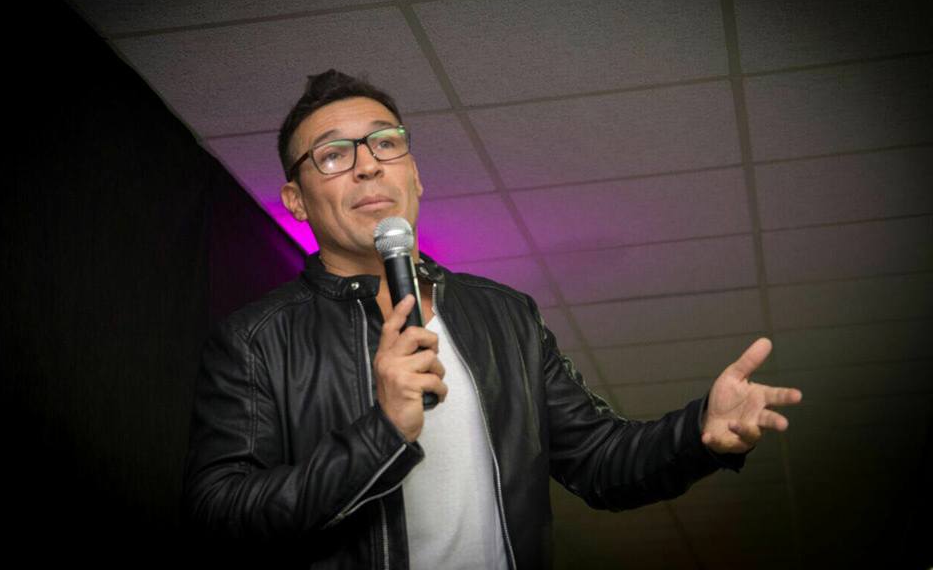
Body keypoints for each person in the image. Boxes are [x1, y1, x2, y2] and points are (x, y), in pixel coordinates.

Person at [182, 70, 803, 569]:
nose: (368, 165)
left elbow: (600, 459)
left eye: (385, 143)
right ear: (295, 201)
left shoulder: (506, 316)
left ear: (414, 175)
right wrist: (382, 432)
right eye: (333, 155)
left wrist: (699, 431)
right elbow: (219, 515)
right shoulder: (256, 342)